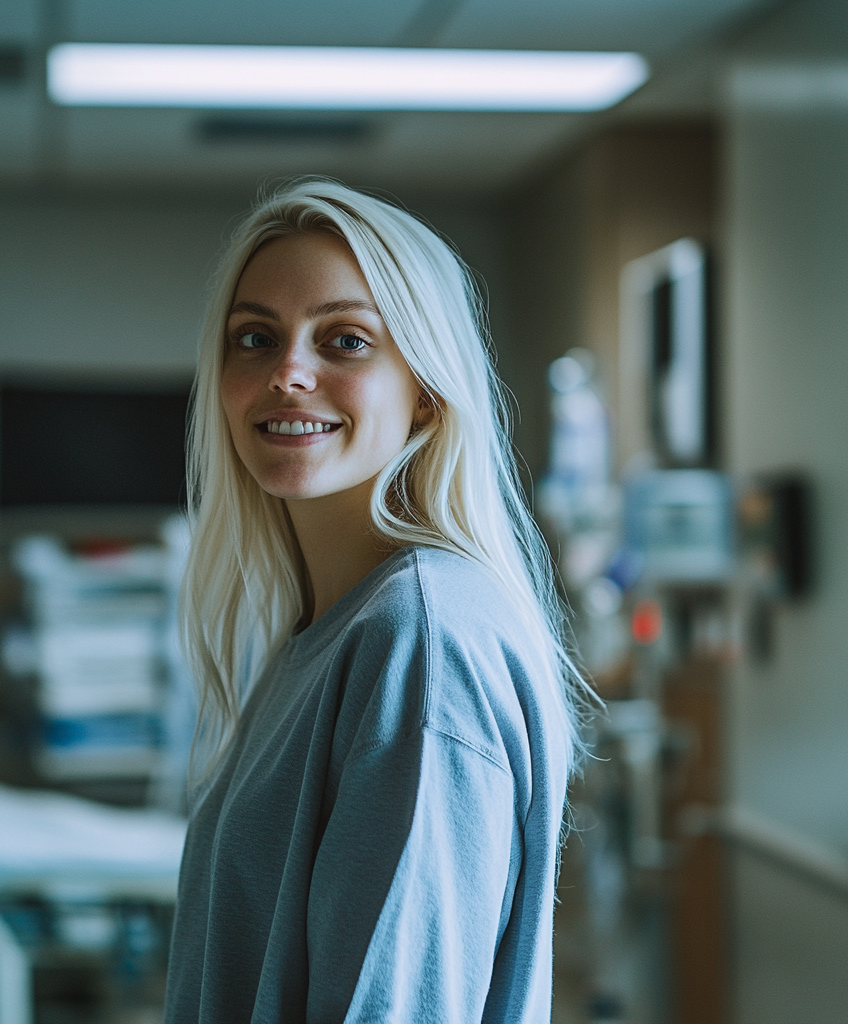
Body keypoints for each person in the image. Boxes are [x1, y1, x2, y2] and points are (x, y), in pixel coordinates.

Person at [163, 179, 588, 1024]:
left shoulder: (421, 639)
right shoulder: (327, 633)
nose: (288, 373)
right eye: (256, 337)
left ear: (425, 390)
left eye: (346, 340)